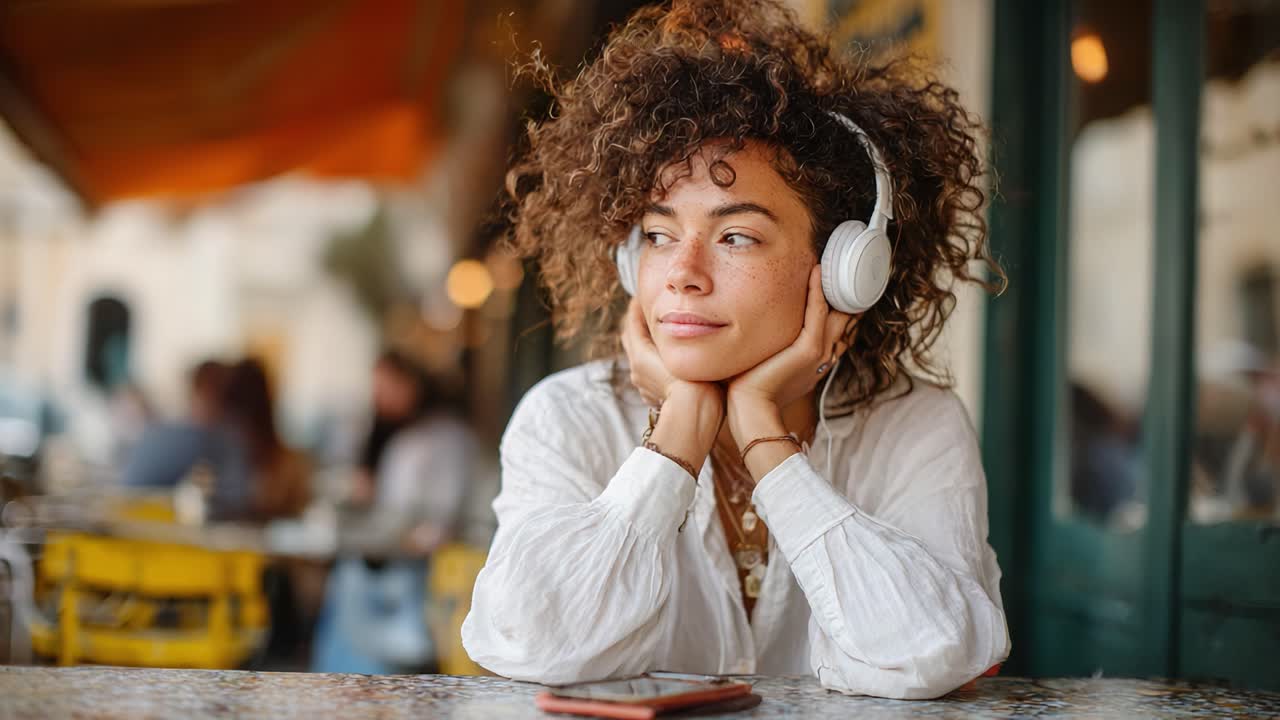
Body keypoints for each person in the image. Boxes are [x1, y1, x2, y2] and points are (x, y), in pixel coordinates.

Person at [461, 0, 1011, 700]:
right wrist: (676, 437)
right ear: (630, 262)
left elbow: (926, 656)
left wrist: (766, 440)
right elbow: (528, 643)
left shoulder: (911, 426)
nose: (683, 272)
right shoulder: (566, 418)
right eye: (658, 236)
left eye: (736, 237)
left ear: (847, 268)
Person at [310, 350, 477, 674]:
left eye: (388, 386)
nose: (380, 396)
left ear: (412, 383)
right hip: (374, 556)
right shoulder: (380, 430)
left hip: (413, 568)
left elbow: (441, 513)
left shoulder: (445, 437)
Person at [120, 359, 251, 520]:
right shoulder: (205, 438)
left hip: (130, 515)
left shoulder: (161, 431)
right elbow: (236, 499)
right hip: (142, 520)